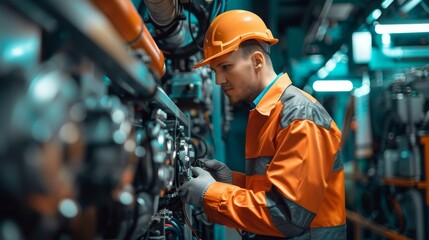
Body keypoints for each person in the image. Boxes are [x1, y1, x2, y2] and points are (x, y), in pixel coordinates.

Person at [178, 9, 346, 239]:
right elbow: (273, 191)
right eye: (215, 71)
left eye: (226, 67)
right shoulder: (265, 113)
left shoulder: (299, 116)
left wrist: (211, 193)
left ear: (257, 61)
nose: (219, 81)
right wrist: (233, 182)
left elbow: (287, 216)